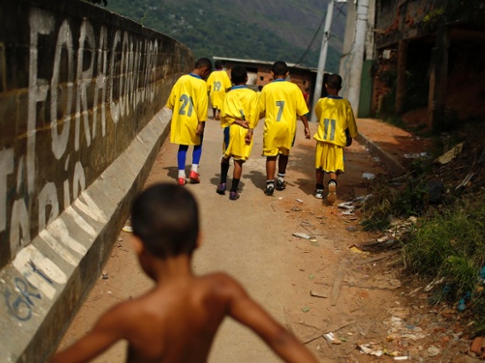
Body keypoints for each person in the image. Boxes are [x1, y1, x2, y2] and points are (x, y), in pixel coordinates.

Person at [51, 183, 318, 363]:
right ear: (199, 239)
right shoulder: (221, 290)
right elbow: (280, 338)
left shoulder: (128, 316)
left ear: (138, 246)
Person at [256, 61, 311, 196]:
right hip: (288, 128)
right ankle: (280, 179)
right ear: (287, 74)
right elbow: (301, 111)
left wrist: (251, 124)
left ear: (272, 74)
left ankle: (269, 184)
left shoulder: (267, 89)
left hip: (272, 127)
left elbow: (260, 110)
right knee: (284, 153)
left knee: (271, 155)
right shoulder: (294, 88)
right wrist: (306, 126)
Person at [313, 74, 358, 204]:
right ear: (340, 87)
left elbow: (318, 114)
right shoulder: (345, 104)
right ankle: (332, 181)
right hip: (337, 140)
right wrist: (351, 135)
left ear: (326, 86)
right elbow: (350, 122)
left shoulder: (321, 102)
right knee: (334, 166)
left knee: (320, 165)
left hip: (322, 139)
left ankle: (319, 189)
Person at [166, 57, 212, 186]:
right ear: (204, 70)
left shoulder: (182, 79)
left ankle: (181, 176)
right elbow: (202, 104)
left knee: (183, 146)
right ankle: (193, 171)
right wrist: (201, 122)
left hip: (181, 118)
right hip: (194, 119)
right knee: (197, 144)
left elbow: (172, 100)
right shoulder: (202, 84)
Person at [216, 66, 259, 200]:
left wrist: (237, 121)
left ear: (231, 79)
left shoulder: (229, 95)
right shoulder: (252, 95)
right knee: (238, 161)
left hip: (231, 128)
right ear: (246, 79)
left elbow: (224, 115)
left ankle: (222, 183)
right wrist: (250, 129)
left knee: (226, 155)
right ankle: (233, 191)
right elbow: (254, 114)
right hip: (245, 129)